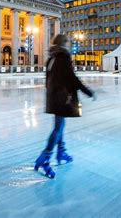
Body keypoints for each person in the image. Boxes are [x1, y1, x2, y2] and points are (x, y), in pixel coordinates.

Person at [34, 34, 96, 179]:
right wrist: (88, 92)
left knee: (60, 125)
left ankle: (61, 152)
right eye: (67, 43)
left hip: (54, 97)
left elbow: (48, 79)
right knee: (58, 128)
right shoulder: (63, 57)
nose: (69, 45)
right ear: (63, 43)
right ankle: (45, 158)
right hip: (62, 98)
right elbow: (72, 78)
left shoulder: (52, 57)